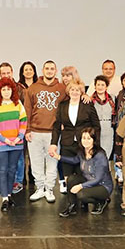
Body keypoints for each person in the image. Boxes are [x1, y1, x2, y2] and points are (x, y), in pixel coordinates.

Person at [50, 79, 100, 207]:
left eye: (78, 90)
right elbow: (56, 126)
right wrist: (54, 143)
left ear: (82, 91)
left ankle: (82, 201)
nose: (75, 92)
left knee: (81, 174)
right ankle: (71, 203)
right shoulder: (62, 105)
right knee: (67, 175)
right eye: (72, 89)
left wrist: (94, 145)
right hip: (67, 144)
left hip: (83, 145)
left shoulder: (87, 105)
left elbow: (96, 126)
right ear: (68, 91)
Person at [25, 60, 66, 204]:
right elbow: (27, 110)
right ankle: (40, 188)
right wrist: (27, 129)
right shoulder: (33, 88)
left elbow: (69, 105)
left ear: (55, 71)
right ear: (43, 71)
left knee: (52, 162)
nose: (49, 71)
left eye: (52, 68)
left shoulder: (62, 88)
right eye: (47, 68)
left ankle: (49, 189)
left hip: (53, 133)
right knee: (36, 162)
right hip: (35, 131)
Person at [0, 78, 28, 212]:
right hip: (0, 144)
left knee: (12, 170)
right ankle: (4, 198)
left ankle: (9, 195)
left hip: (16, 143)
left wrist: (19, 137)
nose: (6, 92)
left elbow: (24, 121)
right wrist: (4, 139)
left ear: (12, 91)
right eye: (3, 89)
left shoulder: (18, 104)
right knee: (2, 170)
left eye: (8, 89)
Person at [55, 127, 113, 217]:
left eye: (89, 138)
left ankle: (101, 201)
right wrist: (59, 157)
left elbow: (98, 179)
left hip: (102, 186)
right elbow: (74, 160)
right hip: (88, 180)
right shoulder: (82, 151)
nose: (85, 141)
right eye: (84, 138)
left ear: (94, 140)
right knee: (71, 179)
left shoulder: (100, 155)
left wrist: (80, 186)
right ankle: (72, 205)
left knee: (81, 194)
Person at [0, 62, 28, 192]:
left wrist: (21, 132)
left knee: (19, 158)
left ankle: (18, 181)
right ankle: (7, 182)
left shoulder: (20, 88)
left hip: (17, 131)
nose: (6, 75)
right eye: (3, 73)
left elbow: (24, 111)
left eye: (8, 72)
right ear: (0, 75)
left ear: (12, 72)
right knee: (4, 161)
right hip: (2, 133)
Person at [90, 75, 115, 162]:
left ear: (106, 86)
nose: (100, 87)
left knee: (105, 157)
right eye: (98, 84)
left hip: (108, 130)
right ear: (95, 86)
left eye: (102, 85)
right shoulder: (90, 100)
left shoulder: (113, 98)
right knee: (94, 157)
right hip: (94, 130)